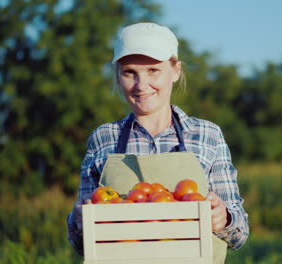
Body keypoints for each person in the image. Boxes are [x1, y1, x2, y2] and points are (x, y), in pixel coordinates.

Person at [67, 22, 249, 262]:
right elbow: (81, 244)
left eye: (153, 70)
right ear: (118, 76)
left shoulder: (207, 134)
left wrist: (224, 218)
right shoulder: (103, 138)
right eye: (129, 72)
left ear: (175, 71)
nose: (141, 85)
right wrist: (79, 220)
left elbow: (240, 234)